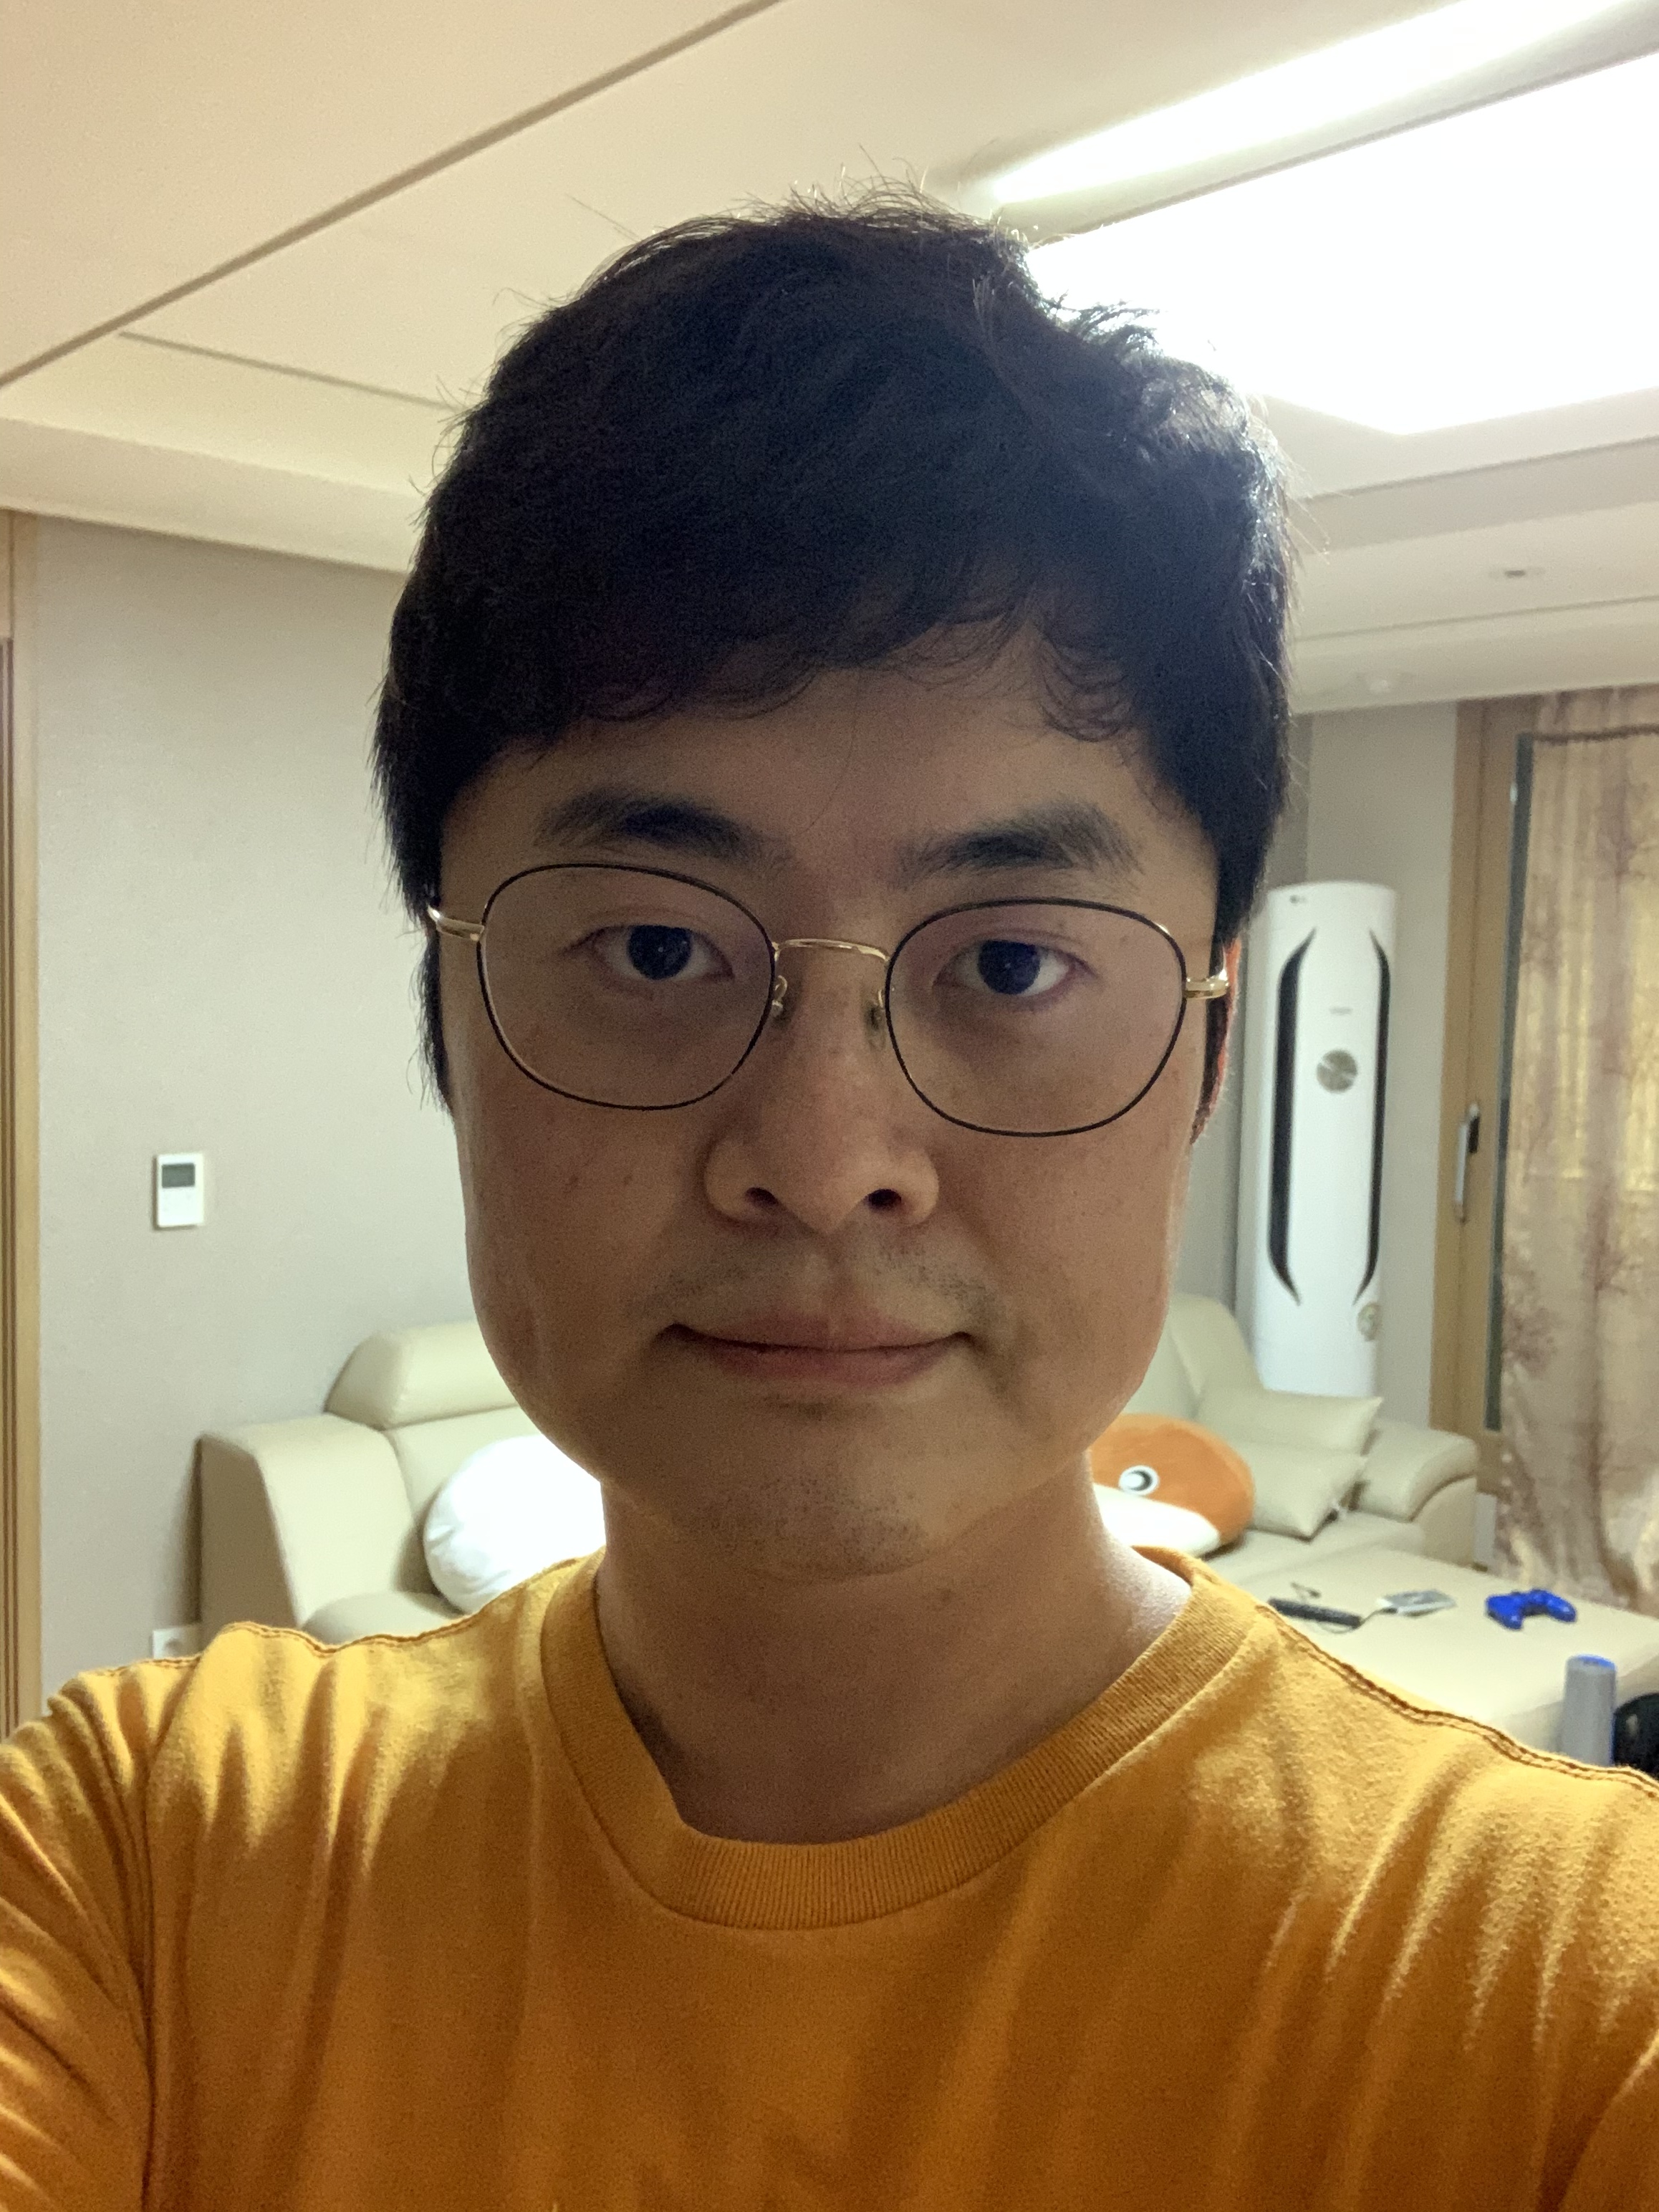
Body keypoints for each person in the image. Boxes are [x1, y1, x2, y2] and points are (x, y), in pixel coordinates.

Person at [1, 192, 1655, 2212]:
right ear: (447, 1012)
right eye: (654, 947)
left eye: (1013, 962)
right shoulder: (145, 1865)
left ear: (1210, 1046)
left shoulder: (1565, 2004)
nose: (824, 1147)